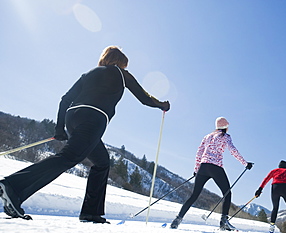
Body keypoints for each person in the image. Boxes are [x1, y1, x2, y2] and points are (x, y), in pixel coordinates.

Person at [0, 46, 170, 223]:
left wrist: (60, 128)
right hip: (93, 118)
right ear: (120, 62)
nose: (124, 69)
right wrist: (162, 105)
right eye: (124, 65)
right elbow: (145, 98)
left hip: (72, 117)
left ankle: (91, 212)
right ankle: (13, 186)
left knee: (102, 162)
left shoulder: (88, 74)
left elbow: (65, 98)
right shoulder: (120, 74)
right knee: (69, 157)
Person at [170, 117, 253, 230]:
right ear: (225, 126)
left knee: (194, 195)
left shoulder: (207, 136)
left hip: (203, 167)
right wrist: (245, 163)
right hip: (215, 167)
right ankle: (224, 222)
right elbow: (233, 150)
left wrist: (196, 170)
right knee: (227, 193)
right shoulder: (225, 137)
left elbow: (199, 152)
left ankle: (177, 219)